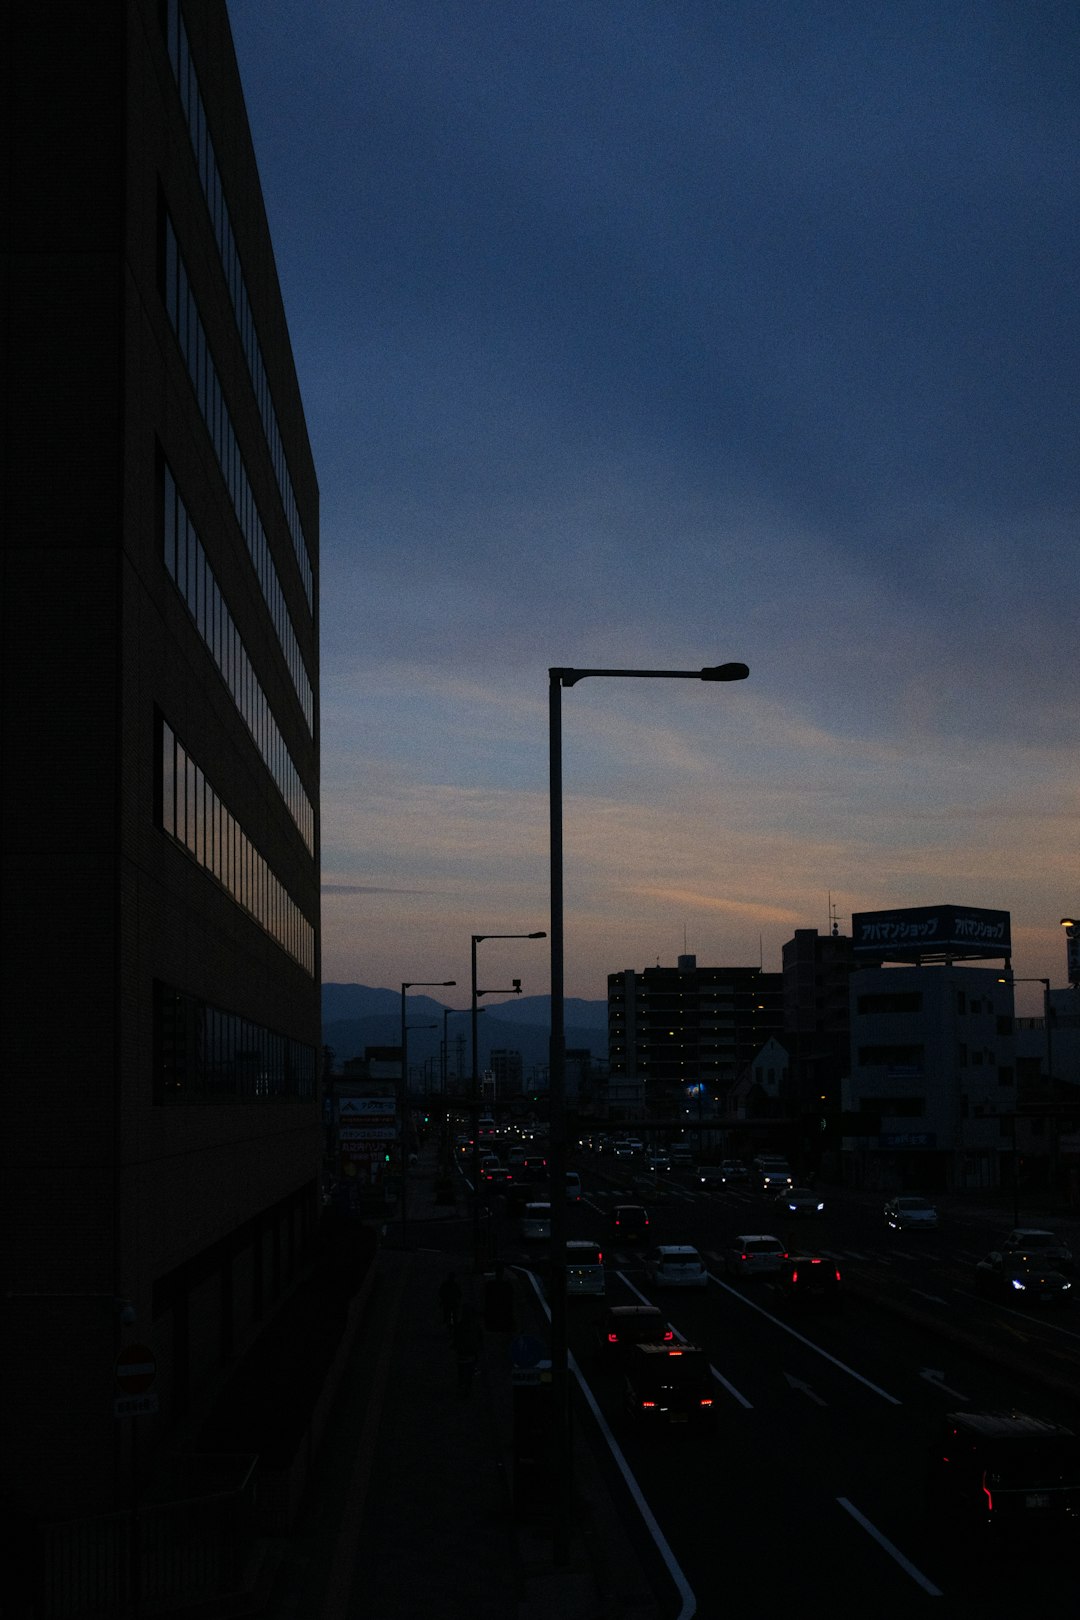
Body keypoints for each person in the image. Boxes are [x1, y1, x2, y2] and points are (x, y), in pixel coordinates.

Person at [453, 1301, 483, 1394]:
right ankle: (468, 1383)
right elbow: (480, 1337)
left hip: (462, 1351)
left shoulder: (460, 1325)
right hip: (471, 1351)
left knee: (461, 1369)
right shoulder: (475, 1325)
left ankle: (462, 1384)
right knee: (472, 1366)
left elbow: (456, 1336)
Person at [438, 1271, 461, 1336]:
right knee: (450, 1316)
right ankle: (451, 1328)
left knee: (451, 1316)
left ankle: (451, 1329)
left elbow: (441, 1292)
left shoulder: (450, 1285)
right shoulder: (453, 1285)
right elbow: (459, 1294)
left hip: (449, 1303)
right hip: (450, 1303)